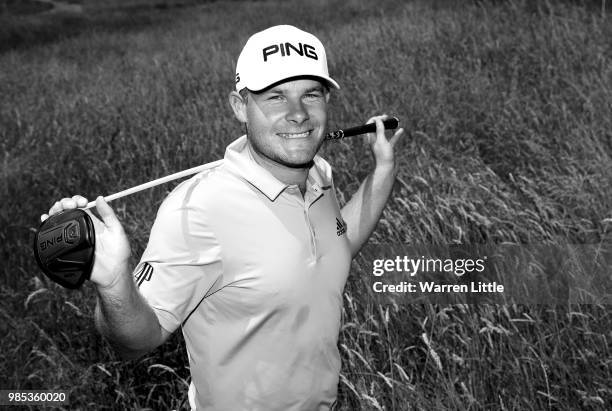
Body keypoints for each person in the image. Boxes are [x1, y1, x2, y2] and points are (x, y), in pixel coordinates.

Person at [42, 25, 403, 411]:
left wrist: (383, 168)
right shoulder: (199, 210)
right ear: (238, 106)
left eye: (311, 94)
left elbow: (339, 245)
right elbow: (136, 341)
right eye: (276, 97)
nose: (298, 114)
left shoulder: (319, 175)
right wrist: (114, 283)